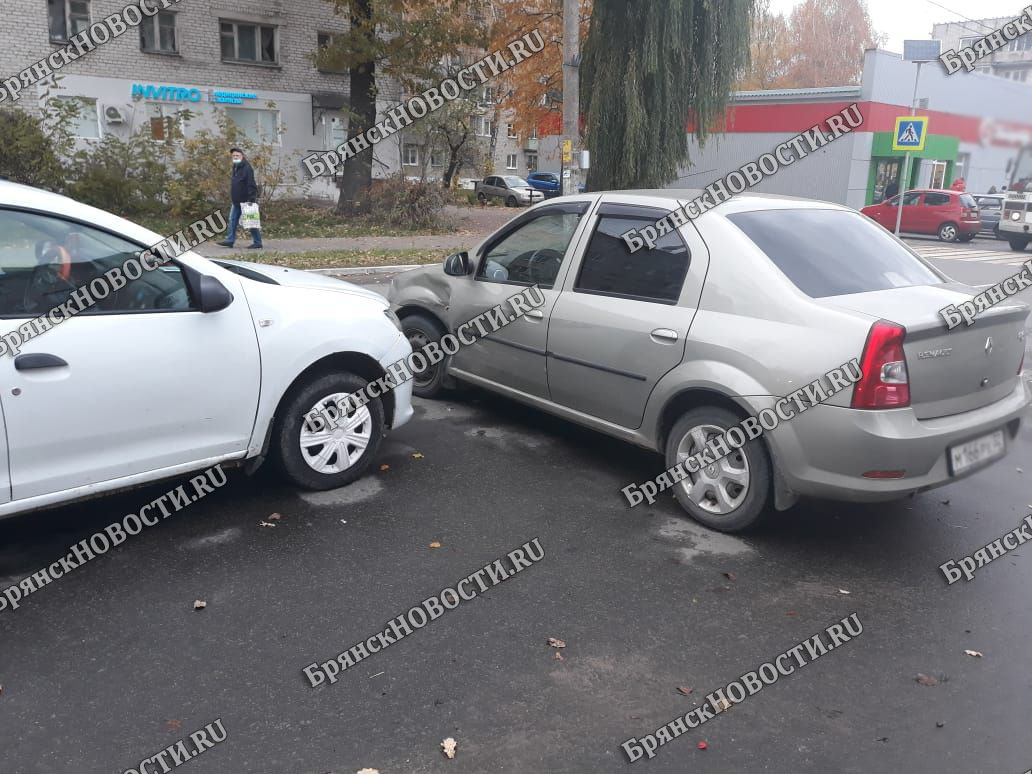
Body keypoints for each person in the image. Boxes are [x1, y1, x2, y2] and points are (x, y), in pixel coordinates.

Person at [217, 148, 262, 249]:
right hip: (236, 201)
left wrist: (251, 199)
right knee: (232, 220)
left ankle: (258, 242)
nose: (235, 157)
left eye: (237, 155)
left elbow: (251, 184)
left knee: (251, 222)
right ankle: (230, 240)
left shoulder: (247, 168)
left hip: (246, 201)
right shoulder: (236, 167)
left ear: (242, 156)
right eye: (233, 156)